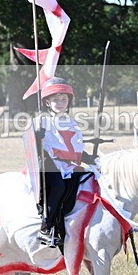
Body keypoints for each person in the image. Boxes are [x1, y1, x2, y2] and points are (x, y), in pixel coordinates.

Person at [34, 77, 94, 248]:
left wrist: (87, 157)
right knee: (58, 186)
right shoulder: (41, 121)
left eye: (64, 99)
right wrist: (37, 137)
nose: (60, 103)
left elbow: (74, 146)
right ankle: (46, 227)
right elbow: (38, 146)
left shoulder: (72, 123)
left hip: (69, 165)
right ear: (47, 102)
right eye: (56, 99)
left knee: (91, 178)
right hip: (49, 165)